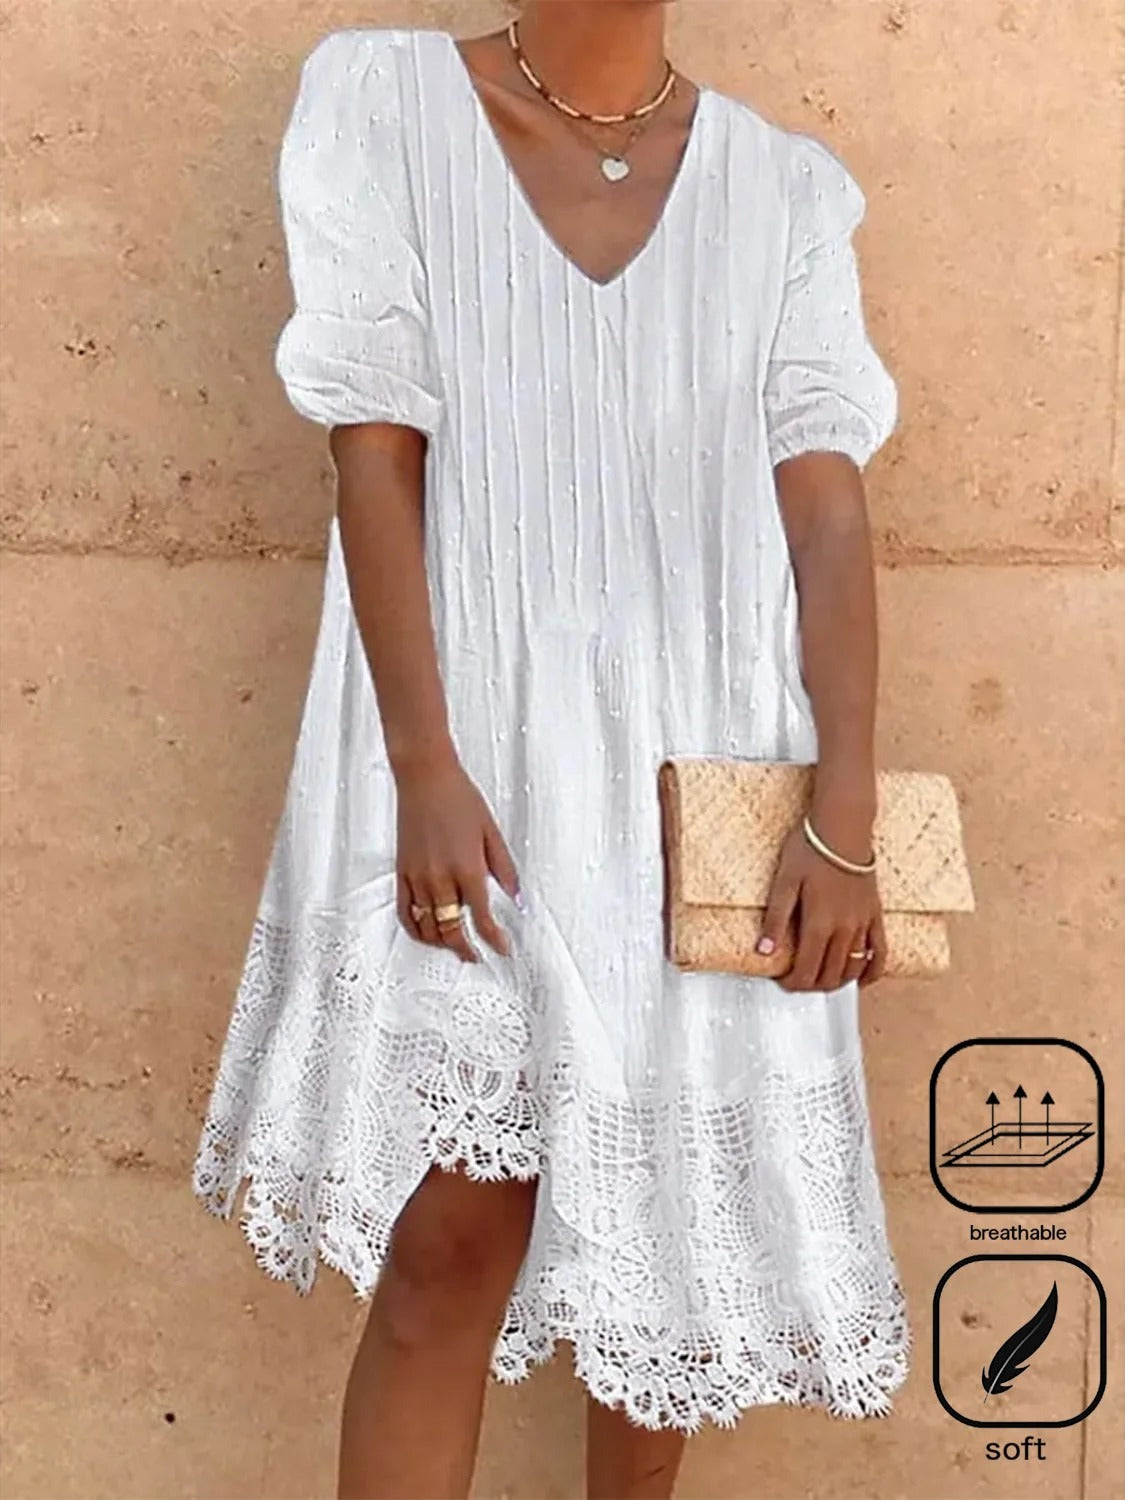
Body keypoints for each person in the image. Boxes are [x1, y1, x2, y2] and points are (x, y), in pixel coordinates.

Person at [192, 4, 910, 1496]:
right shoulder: (384, 103)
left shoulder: (782, 189)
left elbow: (828, 515)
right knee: (449, 1241)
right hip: (471, 760)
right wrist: (422, 764)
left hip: (705, 770)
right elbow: (372, 456)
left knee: (673, 1255)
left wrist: (842, 812)